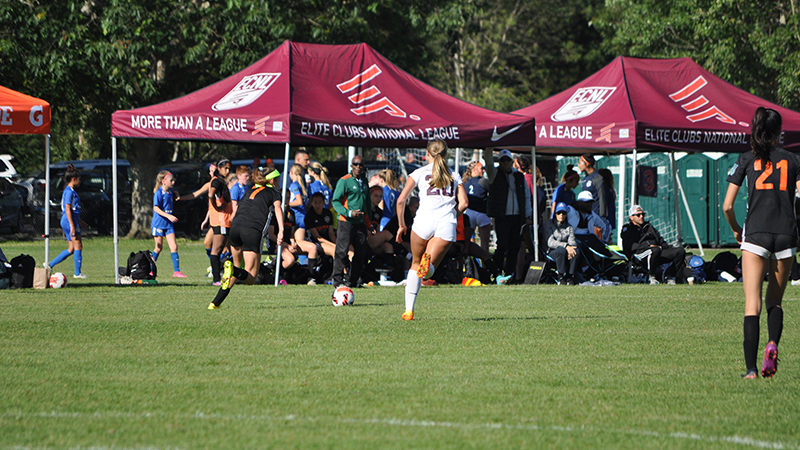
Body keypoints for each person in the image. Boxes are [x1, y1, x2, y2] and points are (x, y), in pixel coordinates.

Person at [723, 107, 800, 379]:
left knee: (752, 303)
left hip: (755, 234)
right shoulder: (793, 159)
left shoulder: (746, 159)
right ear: (779, 131)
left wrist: (736, 230)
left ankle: (751, 370)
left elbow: (727, 206)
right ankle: (773, 344)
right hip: (786, 233)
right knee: (774, 301)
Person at [396, 139, 468, 320]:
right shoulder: (454, 174)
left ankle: (409, 310)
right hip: (446, 224)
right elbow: (464, 203)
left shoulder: (419, 173)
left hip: (423, 222)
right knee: (428, 268)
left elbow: (401, 200)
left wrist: (402, 225)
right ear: (446, 154)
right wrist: (453, 215)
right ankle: (428, 269)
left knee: (415, 263)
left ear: (427, 153)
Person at [209, 167, 284, 310]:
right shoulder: (274, 193)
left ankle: (215, 302)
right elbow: (278, 209)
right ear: (272, 180)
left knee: (237, 269)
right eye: (278, 179)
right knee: (251, 277)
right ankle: (233, 270)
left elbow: (237, 209)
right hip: (252, 231)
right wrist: (281, 230)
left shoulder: (250, 189)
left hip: (235, 229)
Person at [488, 149, 532, 284]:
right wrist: (488, 147)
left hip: (517, 217)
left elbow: (526, 195)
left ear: (512, 161)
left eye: (507, 160)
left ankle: (509, 274)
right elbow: (488, 162)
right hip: (502, 216)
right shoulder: (495, 174)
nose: (505, 163)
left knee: (515, 247)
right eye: (503, 160)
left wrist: (528, 214)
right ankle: (497, 273)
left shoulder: (519, 176)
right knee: (502, 245)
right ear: (499, 162)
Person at [151, 170, 201, 278]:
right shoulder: (158, 193)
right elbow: (156, 208)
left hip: (168, 225)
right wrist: (168, 216)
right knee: (158, 248)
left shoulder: (170, 193)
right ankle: (150, 270)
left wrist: (177, 195)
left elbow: (174, 198)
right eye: (171, 180)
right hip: (159, 224)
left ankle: (176, 271)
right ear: (163, 181)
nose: (173, 182)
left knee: (174, 246)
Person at [331, 155, 371, 288]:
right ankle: (337, 281)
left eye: (361, 165)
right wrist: (348, 212)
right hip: (346, 222)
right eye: (356, 164)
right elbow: (336, 201)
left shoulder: (364, 181)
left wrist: (369, 224)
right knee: (342, 251)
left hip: (360, 223)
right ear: (351, 165)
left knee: (361, 252)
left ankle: (353, 281)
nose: (358, 167)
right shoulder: (344, 181)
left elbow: (367, 204)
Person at [621, 205, 685, 285]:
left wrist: (665, 247)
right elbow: (631, 246)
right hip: (640, 254)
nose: (641, 217)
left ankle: (670, 277)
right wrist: (649, 247)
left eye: (643, 214)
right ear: (631, 217)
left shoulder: (649, 227)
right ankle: (651, 277)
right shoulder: (628, 229)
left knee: (680, 251)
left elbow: (661, 241)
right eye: (638, 215)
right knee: (654, 250)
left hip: (657, 252)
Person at [46, 164, 86, 278]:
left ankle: (50, 264)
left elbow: (73, 209)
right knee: (78, 245)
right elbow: (67, 209)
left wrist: (80, 221)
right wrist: (72, 225)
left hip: (70, 220)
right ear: (74, 179)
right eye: (78, 179)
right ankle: (77, 274)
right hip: (69, 220)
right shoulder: (69, 192)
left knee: (71, 248)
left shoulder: (70, 191)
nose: (79, 181)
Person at [207, 158, 233, 285]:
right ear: (219, 168)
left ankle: (219, 275)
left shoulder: (220, 181)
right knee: (216, 250)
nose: (227, 171)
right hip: (221, 219)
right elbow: (211, 194)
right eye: (225, 168)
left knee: (221, 249)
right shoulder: (216, 181)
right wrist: (217, 207)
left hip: (223, 220)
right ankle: (216, 278)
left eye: (229, 169)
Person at [544, 202, 578, 285]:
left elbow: (572, 241)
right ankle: (561, 277)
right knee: (561, 251)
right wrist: (566, 246)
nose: (561, 215)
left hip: (566, 250)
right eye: (559, 213)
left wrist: (570, 248)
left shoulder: (569, 227)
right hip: (552, 251)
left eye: (563, 213)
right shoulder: (548, 225)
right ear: (555, 214)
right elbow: (550, 242)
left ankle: (570, 276)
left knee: (575, 250)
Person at [462, 161, 492, 255]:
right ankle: (484, 262)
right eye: (481, 168)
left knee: (467, 242)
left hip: (469, 212)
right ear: (474, 170)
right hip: (482, 213)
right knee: (484, 244)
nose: (483, 170)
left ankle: (467, 260)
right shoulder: (483, 181)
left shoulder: (465, 181)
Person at [578, 153, 607, 221]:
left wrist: (601, 217)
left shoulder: (597, 178)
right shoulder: (587, 177)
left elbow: (602, 198)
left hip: (595, 217)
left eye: (580, 163)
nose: (578, 165)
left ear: (586, 164)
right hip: (586, 216)